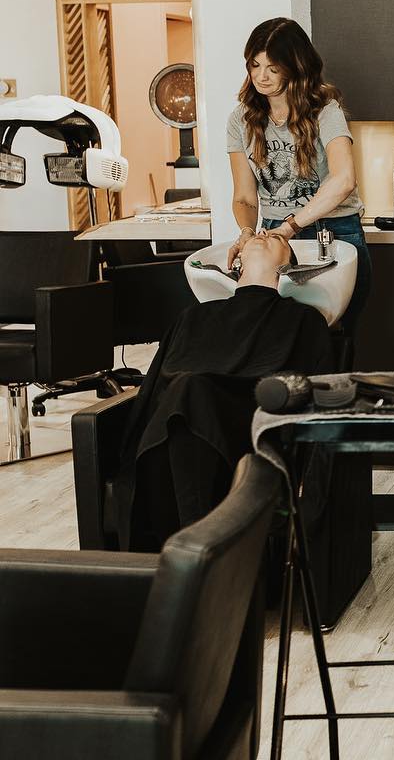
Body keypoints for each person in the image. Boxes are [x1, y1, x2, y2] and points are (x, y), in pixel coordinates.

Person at [114, 232, 335, 550]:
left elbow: (313, 393)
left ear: (287, 266)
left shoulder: (302, 319)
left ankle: (199, 558)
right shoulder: (194, 315)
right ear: (238, 259)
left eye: (276, 239)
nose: (263, 235)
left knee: (191, 391)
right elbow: (153, 392)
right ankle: (197, 556)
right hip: (168, 437)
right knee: (186, 394)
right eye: (256, 236)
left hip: (244, 436)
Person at [226, 17, 369, 333]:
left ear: (295, 66)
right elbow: (245, 197)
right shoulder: (241, 120)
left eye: (273, 68)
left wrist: (292, 225)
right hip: (275, 237)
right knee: (277, 334)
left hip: (333, 232)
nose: (261, 76)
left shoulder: (324, 110)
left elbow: (344, 180)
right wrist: (247, 233)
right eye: (255, 65)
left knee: (335, 335)